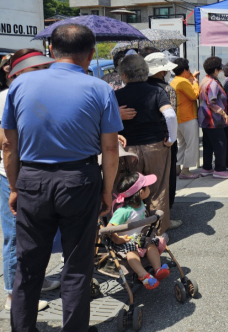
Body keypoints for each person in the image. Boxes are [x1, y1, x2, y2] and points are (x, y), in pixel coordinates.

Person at [2, 24, 122, 331]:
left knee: (28, 267)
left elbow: (8, 145)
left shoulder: (20, 86)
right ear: (91, 54)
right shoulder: (101, 89)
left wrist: (14, 187)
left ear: (52, 51)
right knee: (77, 265)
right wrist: (108, 191)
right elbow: (110, 147)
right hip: (80, 179)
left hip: (32, 178)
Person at [0, 49, 58, 313]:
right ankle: (14, 293)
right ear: (18, 72)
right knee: (15, 234)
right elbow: (6, 144)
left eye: (44, 68)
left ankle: (35, 280)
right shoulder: (5, 97)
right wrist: (13, 185)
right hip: (10, 176)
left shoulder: (44, 93)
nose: (43, 74)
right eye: (36, 69)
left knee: (38, 233)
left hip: (38, 174)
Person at [115, 55, 177, 234]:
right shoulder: (156, 92)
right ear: (145, 72)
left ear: (124, 75)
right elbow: (170, 115)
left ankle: (131, 231)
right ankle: (157, 233)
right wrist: (171, 138)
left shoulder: (116, 95)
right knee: (157, 190)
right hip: (155, 146)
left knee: (131, 189)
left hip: (128, 149)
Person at [108, 172, 170, 290]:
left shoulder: (141, 204)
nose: (149, 188)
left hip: (139, 238)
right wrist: (118, 239)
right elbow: (110, 227)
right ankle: (144, 275)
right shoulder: (123, 211)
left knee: (150, 243)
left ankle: (158, 269)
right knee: (132, 251)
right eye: (147, 186)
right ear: (141, 192)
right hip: (126, 241)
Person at [144, 52, 180, 212]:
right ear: (162, 71)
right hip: (164, 140)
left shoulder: (140, 86)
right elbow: (171, 115)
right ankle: (166, 211)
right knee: (167, 177)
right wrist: (171, 139)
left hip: (143, 140)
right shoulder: (167, 89)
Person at [198, 56, 228, 179]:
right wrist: (223, 113)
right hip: (214, 120)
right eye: (220, 69)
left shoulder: (204, 80)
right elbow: (211, 102)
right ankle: (219, 169)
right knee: (221, 143)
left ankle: (206, 167)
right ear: (216, 70)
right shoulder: (212, 83)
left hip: (205, 119)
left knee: (208, 144)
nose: (221, 71)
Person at [170, 58, 200, 179]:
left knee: (182, 144)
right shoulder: (184, 82)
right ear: (184, 71)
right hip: (188, 117)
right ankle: (186, 170)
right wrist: (196, 83)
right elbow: (194, 95)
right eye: (188, 70)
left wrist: (192, 76)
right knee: (191, 144)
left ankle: (177, 167)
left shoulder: (174, 81)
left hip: (178, 118)